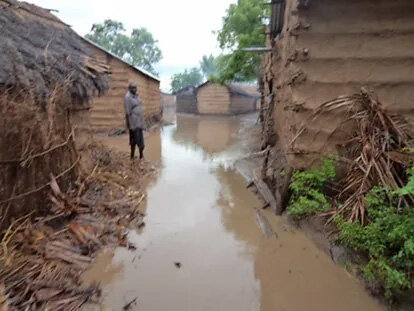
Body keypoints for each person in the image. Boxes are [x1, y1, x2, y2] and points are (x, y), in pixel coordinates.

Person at [124, 82, 145, 160]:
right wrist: (128, 125)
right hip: (134, 123)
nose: (135, 89)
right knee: (134, 141)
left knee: (140, 140)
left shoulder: (136, 96)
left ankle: (140, 156)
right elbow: (127, 112)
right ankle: (134, 156)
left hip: (139, 122)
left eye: (135, 87)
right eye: (133, 88)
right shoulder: (128, 98)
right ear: (129, 89)